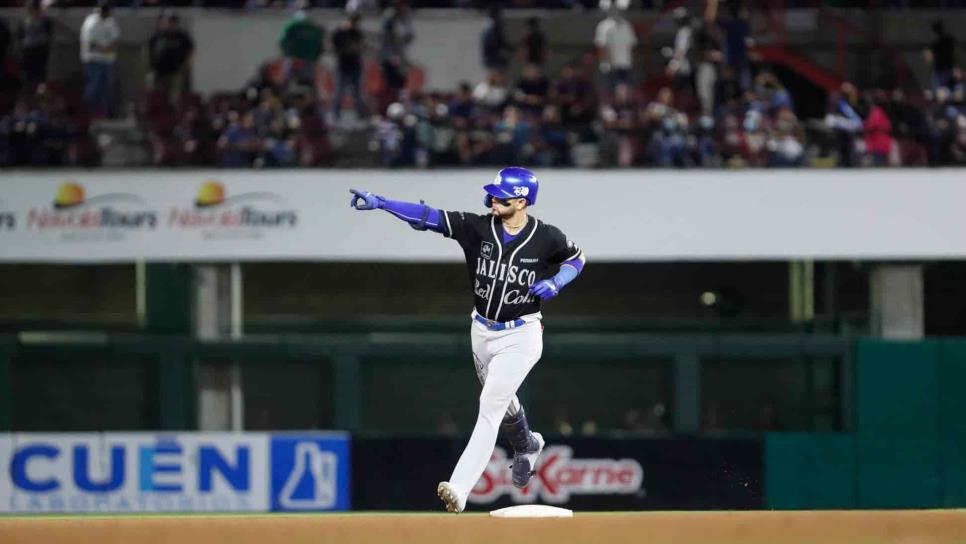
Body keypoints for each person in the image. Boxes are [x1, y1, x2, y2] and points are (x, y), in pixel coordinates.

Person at [348, 167, 586, 514]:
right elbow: (430, 216)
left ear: (521, 201)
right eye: (492, 194)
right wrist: (382, 203)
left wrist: (558, 282)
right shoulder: (477, 227)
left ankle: (460, 487)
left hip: (522, 333)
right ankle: (527, 443)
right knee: (501, 399)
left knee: (490, 403)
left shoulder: (546, 236)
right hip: (481, 330)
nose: (493, 200)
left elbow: (576, 258)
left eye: (501, 197)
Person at [80, 0, 120, 118]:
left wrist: (108, 49)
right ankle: (89, 113)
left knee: (107, 87)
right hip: (93, 60)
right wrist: (104, 49)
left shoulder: (111, 22)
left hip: (107, 61)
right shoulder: (91, 22)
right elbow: (90, 43)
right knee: (93, 87)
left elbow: (116, 39)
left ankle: (105, 113)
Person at [147, 11, 195, 98]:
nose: (170, 24)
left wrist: (187, 64)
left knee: (175, 95)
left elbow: (190, 49)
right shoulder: (157, 36)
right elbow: (150, 52)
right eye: (169, 21)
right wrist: (151, 66)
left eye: (173, 22)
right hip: (160, 72)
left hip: (176, 71)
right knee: (159, 95)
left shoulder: (182, 36)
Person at [594, 0, 637, 95]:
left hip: (625, 64)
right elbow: (601, 46)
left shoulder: (626, 25)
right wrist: (604, 61)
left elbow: (631, 45)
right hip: (610, 65)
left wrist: (629, 59)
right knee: (610, 91)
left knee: (624, 90)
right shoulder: (603, 26)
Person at [331, 12, 367, 121]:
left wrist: (356, 48)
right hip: (343, 67)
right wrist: (347, 48)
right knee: (339, 93)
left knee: (357, 94)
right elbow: (335, 48)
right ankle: (335, 116)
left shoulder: (357, 33)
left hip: (355, 67)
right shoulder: (340, 32)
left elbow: (361, 47)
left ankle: (360, 117)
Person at [16, 0, 54, 89]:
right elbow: (20, 35)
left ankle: (40, 91)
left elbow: (49, 34)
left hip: (40, 50)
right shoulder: (24, 22)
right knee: (28, 74)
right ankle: (28, 91)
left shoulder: (45, 21)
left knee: (41, 74)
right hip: (28, 51)